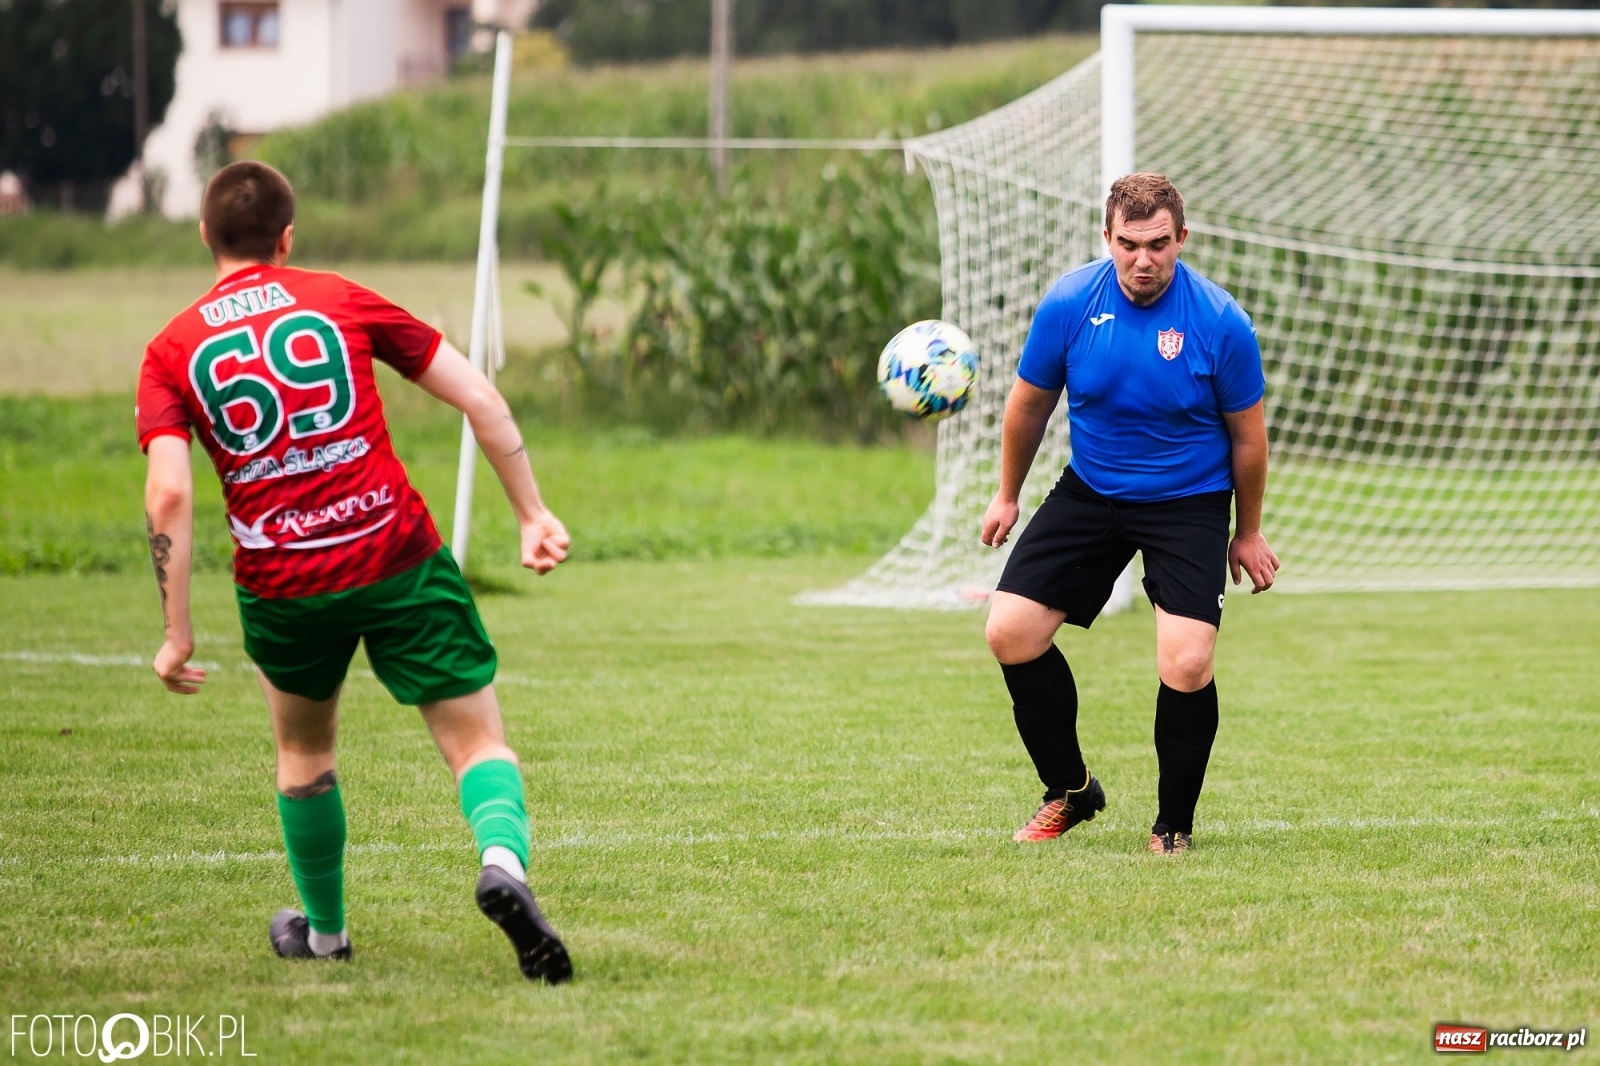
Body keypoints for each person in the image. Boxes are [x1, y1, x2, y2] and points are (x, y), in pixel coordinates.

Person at [137, 161, 574, 981]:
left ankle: (328, 936)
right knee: (477, 740)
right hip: (395, 553)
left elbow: (168, 492)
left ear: (205, 235)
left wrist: (176, 633)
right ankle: (503, 869)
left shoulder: (172, 349)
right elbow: (479, 397)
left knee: (305, 755)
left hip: (284, 584)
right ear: (287, 237)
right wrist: (531, 513)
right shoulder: (339, 297)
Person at [980, 172, 1279, 854]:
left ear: (1182, 239)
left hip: (1189, 501)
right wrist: (1007, 494)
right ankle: (1071, 790)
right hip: (1093, 490)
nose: (1143, 260)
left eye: (1158, 244)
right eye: (1129, 244)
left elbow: (1248, 437)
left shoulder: (1220, 322)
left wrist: (1248, 530)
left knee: (1187, 661)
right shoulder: (1069, 303)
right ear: (1106, 237)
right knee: (1010, 632)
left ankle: (1172, 825)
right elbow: (1029, 405)